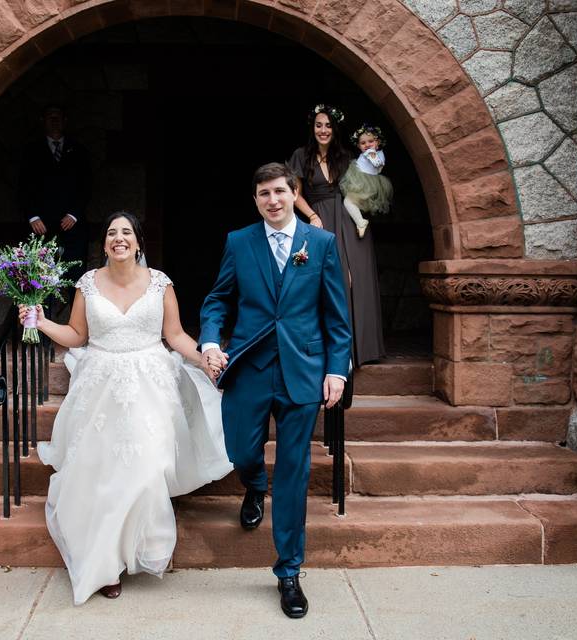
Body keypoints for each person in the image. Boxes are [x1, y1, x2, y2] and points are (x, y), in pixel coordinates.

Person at [20, 212, 232, 605]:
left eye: (127, 233)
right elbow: (77, 335)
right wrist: (43, 322)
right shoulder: (88, 283)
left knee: (147, 467)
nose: (119, 238)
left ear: (138, 243)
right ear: (104, 244)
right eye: (112, 233)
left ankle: (140, 546)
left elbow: (175, 335)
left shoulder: (160, 283)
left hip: (151, 384)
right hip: (100, 387)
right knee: (104, 474)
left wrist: (203, 357)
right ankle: (106, 562)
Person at [199, 163, 353, 619]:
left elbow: (336, 317)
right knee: (240, 450)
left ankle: (289, 571)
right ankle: (253, 483)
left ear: (294, 193)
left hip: (303, 373)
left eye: (280, 191)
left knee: (295, 470)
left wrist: (337, 371)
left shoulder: (321, 244)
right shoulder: (239, 241)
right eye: (264, 193)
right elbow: (216, 300)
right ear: (256, 200)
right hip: (249, 367)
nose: (273, 200)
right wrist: (211, 341)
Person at [288, 104, 385, 365]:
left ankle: (358, 350)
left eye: (328, 125)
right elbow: (294, 193)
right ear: (313, 127)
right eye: (319, 125)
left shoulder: (345, 157)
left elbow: (362, 182)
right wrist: (311, 216)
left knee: (356, 280)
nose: (323, 130)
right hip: (319, 219)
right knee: (330, 281)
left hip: (348, 221)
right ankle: (330, 350)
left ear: (335, 129)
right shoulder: (301, 156)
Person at [21, 105, 92, 309]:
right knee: (40, 278)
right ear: (42, 120)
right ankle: (42, 332)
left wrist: (74, 214)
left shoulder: (78, 150)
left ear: (65, 121)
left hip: (72, 226)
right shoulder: (31, 151)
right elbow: (23, 186)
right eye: (50, 117)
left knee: (75, 276)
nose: (54, 121)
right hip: (41, 225)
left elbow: (87, 185)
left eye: (58, 117)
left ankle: (76, 326)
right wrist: (33, 216)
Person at [340, 123, 393, 238]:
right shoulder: (369, 153)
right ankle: (360, 221)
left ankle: (361, 222)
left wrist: (372, 156)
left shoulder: (373, 153)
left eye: (370, 141)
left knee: (348, 201)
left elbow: (378, 164)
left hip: (366, 182)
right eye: (363, 143)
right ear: (358, 146)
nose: (367, 145)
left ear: (377, 143)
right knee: (350, 201)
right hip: (359, 178)